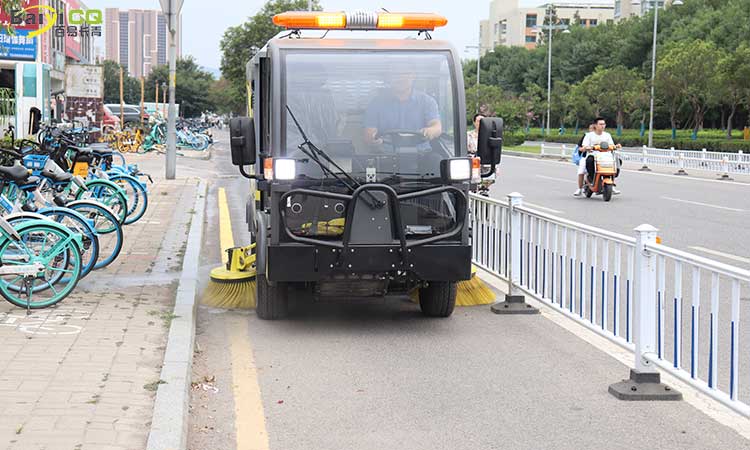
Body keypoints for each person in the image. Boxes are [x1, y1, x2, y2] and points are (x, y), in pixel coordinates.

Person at [364, 71, 442, 146]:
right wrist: (372, 138)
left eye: (405, 73)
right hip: (385, 155)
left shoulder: (427, 101)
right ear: (389, 77)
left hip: (422, 155)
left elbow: (437, 127)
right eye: (396, 73)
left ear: (413, 75)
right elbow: (370, 133)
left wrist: (431, 130)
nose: (400, 77)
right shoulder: (376, 103)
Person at [573, 117, 621, 196]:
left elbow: (612, 145)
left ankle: (611, 186)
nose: (603, 126)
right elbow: (584, 146)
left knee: (616, 162)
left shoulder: (607, 135)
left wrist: (616, 146)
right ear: (595, 125)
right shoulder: (589, 135)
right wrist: (586, 147)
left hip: (606, 156)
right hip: (592, 155)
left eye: (604, 124)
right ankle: (581, 187)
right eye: (600, 124)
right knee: (583, 168)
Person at [573, 123, 596, 196]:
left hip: (600, 157)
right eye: (591, 129)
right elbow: (579, 147)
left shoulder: (602, 136)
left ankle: (611, 186)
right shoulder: (586, 136)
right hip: (586, 157)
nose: (592, 130)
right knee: (581, 171)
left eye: (594, 129)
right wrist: (584, 149)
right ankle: (579, 189)